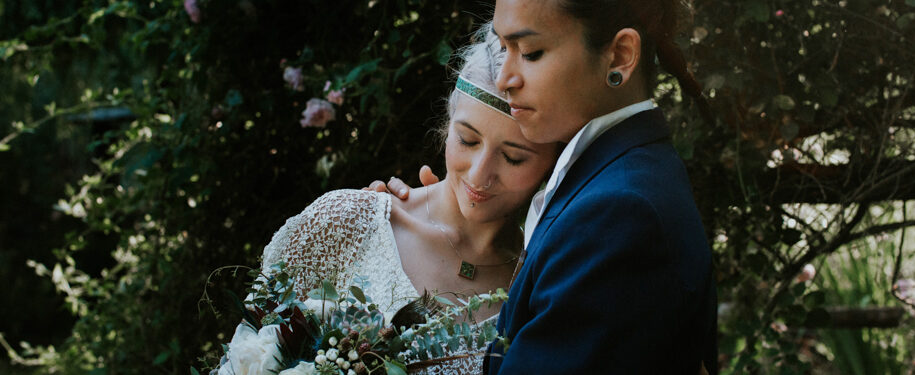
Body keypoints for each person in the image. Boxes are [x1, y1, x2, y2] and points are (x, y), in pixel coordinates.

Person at [377, 0, 718, 373]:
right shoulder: (606, 179)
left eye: (530, 52)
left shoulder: (621, 211)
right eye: (503, 48)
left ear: (620, 56)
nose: (505, 78)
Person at [218, 25, 560, 375]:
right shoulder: (347, 222)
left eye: (514, 158)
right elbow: (244, 356)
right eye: (467, 140)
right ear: (447, 123)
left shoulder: (537, 289)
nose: (479, 174)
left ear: (553, 163)